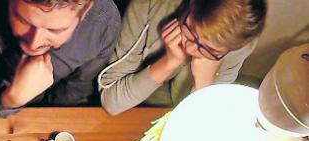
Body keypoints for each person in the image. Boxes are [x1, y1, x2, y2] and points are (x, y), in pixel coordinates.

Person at [0, 0, 120, 118]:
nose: (34, 43)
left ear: (85, 11)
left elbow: (77, 89)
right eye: (22, 20)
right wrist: (11, 99)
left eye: (55, 30)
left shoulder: (104, 23)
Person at [97, 0, 267, 115]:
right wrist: (169, 63)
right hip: (134, 96)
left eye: (208, 50)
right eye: (191, 32)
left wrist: (203, 85)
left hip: (171, 109)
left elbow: (203, 120)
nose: (191, 49)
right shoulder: (150, 5)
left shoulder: (239, 43)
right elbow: (111, 102)